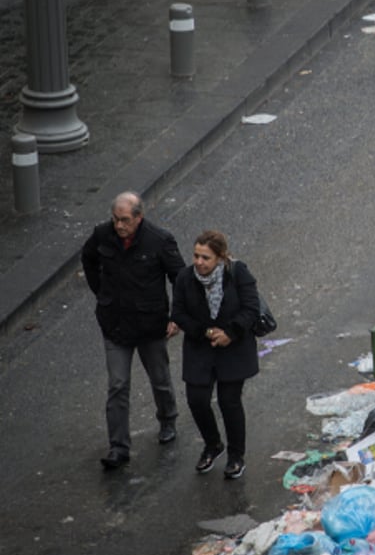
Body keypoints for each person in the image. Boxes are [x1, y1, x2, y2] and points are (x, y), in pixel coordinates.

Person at [82, 192, 184, 470]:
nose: (119, 226)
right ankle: (118, 446)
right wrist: (102, 294)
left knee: (159, 378)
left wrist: (176, 317)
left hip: (150, 325)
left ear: (139, 217)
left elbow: (181, 279)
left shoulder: (159, 240)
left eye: (125, 220)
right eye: (116, 219)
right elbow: (88, 259)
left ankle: (167, 419)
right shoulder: (102, 235)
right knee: (118, 384)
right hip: (115, 324)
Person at [171, 230, 261, 479]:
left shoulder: (237, 273)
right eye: (196, 256)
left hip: (233, 348)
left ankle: (236, 456)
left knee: (229, 402)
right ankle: (213, 445)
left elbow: (251, 308)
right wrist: (207, 331)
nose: (199, 262)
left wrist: (230, 333)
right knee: (196, 400)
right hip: (200, 347)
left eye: (206, 258)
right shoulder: (185, 278)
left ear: (220, 258)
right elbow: (178, 312)